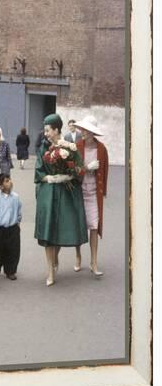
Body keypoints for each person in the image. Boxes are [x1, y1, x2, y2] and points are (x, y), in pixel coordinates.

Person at [34, 113, 88, 286]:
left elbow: (79, 169)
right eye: (45, 130)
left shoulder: (70, 148)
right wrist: (50, 178)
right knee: (48, 233)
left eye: (48, 130)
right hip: (48, 193)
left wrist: (68, 175)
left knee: (60, 230)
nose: (46, 134)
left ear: (57, 130)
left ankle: (56, 257)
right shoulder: (43, 148)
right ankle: (50, 270)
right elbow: (39, 170)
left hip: (65, 192)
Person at [73, 115, 109, 276]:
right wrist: (87, 167)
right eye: (81, 129)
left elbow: (105, 171)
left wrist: (104, 192)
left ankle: (94, 262)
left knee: (94, 227)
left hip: (94, 193)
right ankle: (78, 257)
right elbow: (73, 171)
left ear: (92, 132)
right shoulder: (76, 146)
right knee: (79, 227)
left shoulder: (101, 149)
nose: (82, 132)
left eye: (85, 130)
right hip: (79, 192)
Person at [0, 174, 22, 280]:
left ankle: (10, 271)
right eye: (7, 181)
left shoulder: (16, 197)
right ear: (1, 186)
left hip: (13, 228)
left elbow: (18, 212)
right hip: (0, 229)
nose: (10, 182)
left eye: (10, 180)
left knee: (13, 251)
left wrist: (17, 222)